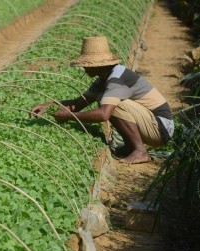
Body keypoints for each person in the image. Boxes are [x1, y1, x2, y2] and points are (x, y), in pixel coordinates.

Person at [29, 36, 174, 164]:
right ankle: (130, 146)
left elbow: (103, 115)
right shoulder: (103, 79)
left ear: (98, 65)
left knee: (113, 105)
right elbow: (78, 103)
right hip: (150, 124)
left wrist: (69, 116)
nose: (84, 68)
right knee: (106, 100)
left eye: (87, 64)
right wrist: (48, 106)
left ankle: (140, 151)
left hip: (160, 128)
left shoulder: (117, 78)